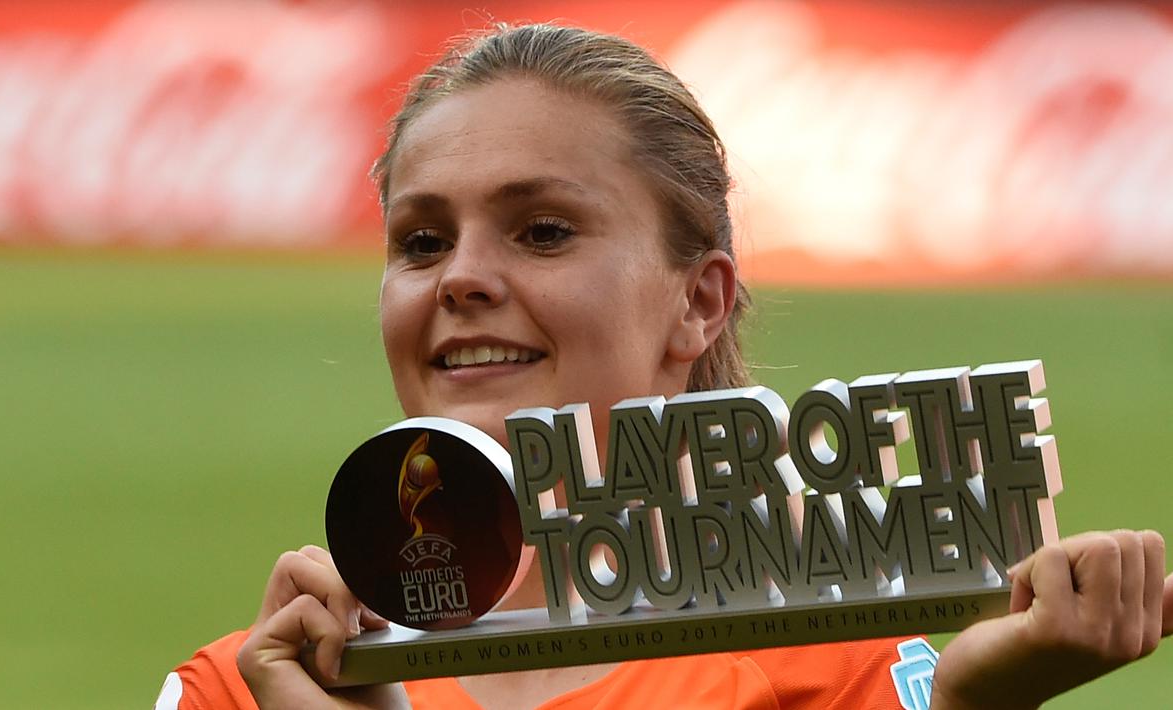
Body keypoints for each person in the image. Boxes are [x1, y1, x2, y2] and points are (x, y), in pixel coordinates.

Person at [157, 23, 1173, 710]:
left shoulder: (848, 669)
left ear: (697, 299)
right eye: (421, 241)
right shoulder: (248, 684)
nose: (459, 276)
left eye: (541, 230)